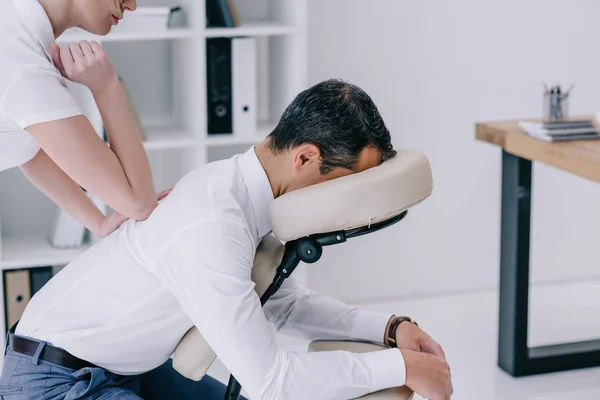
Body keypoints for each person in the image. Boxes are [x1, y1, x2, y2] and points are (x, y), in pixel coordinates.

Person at [0, 79, 453, 400]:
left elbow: (282, 304)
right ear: (306, 158)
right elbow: (273, 383)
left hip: (124, 366)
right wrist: (404, 367)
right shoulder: (212, 224)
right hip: (54, 380)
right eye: (351, 183)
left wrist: (390, 328)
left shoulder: (245, 198)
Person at [0, 0, 166, 239]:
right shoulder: (26, 71)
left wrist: (98, 222)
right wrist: (106, 87)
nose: (132, 5)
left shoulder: (13, 24)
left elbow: (27, 149)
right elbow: (139, 204)